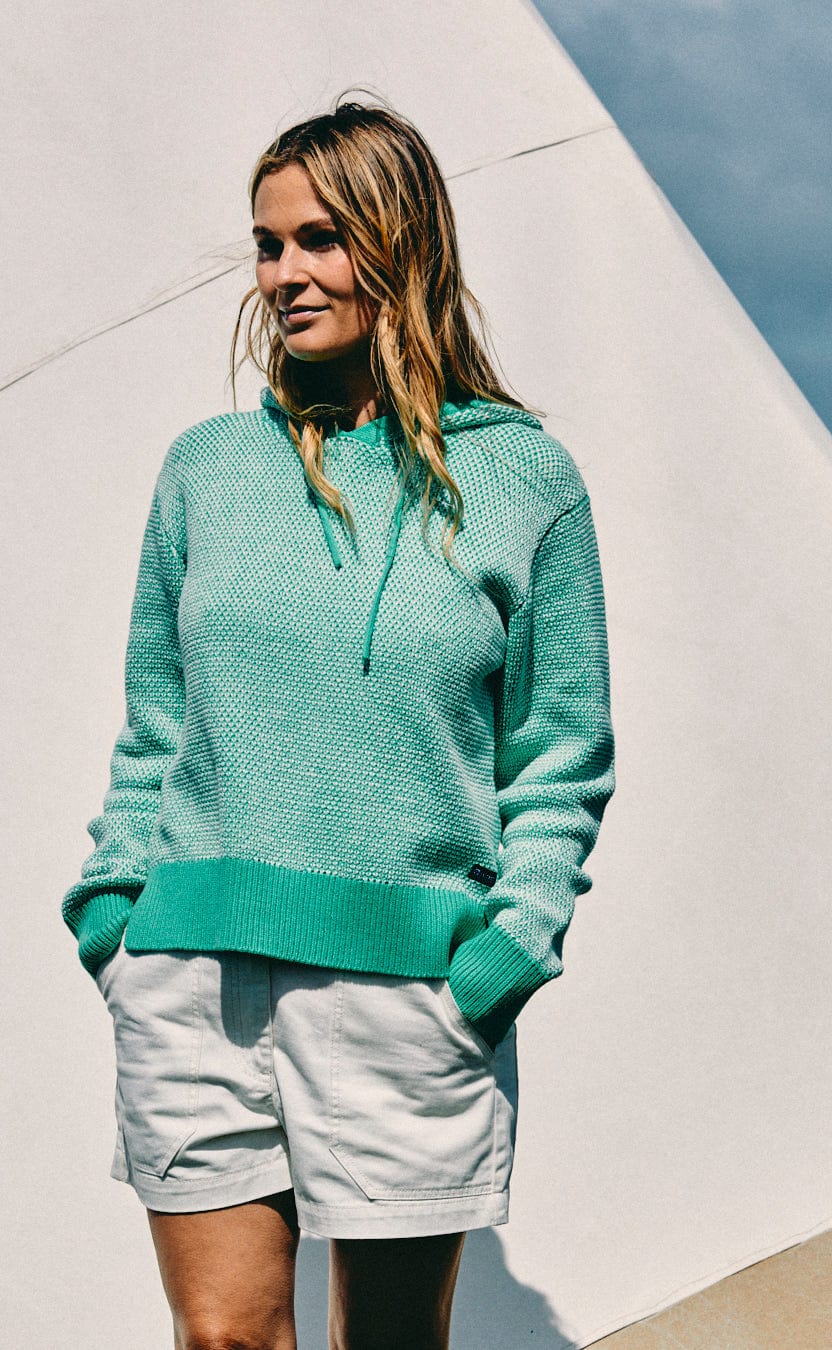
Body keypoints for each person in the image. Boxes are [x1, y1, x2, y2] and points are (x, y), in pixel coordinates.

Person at [60, 92, 616, 1350]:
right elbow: (156, 723)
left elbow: (562, 751)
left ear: (401, 242)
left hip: (409, 988)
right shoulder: (205, 467)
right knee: (226, 1342)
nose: (285, 273)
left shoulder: (524, 479)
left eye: (320, 238)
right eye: (268, 244)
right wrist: (114, 913)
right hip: (190, 972)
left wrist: (504, 951)